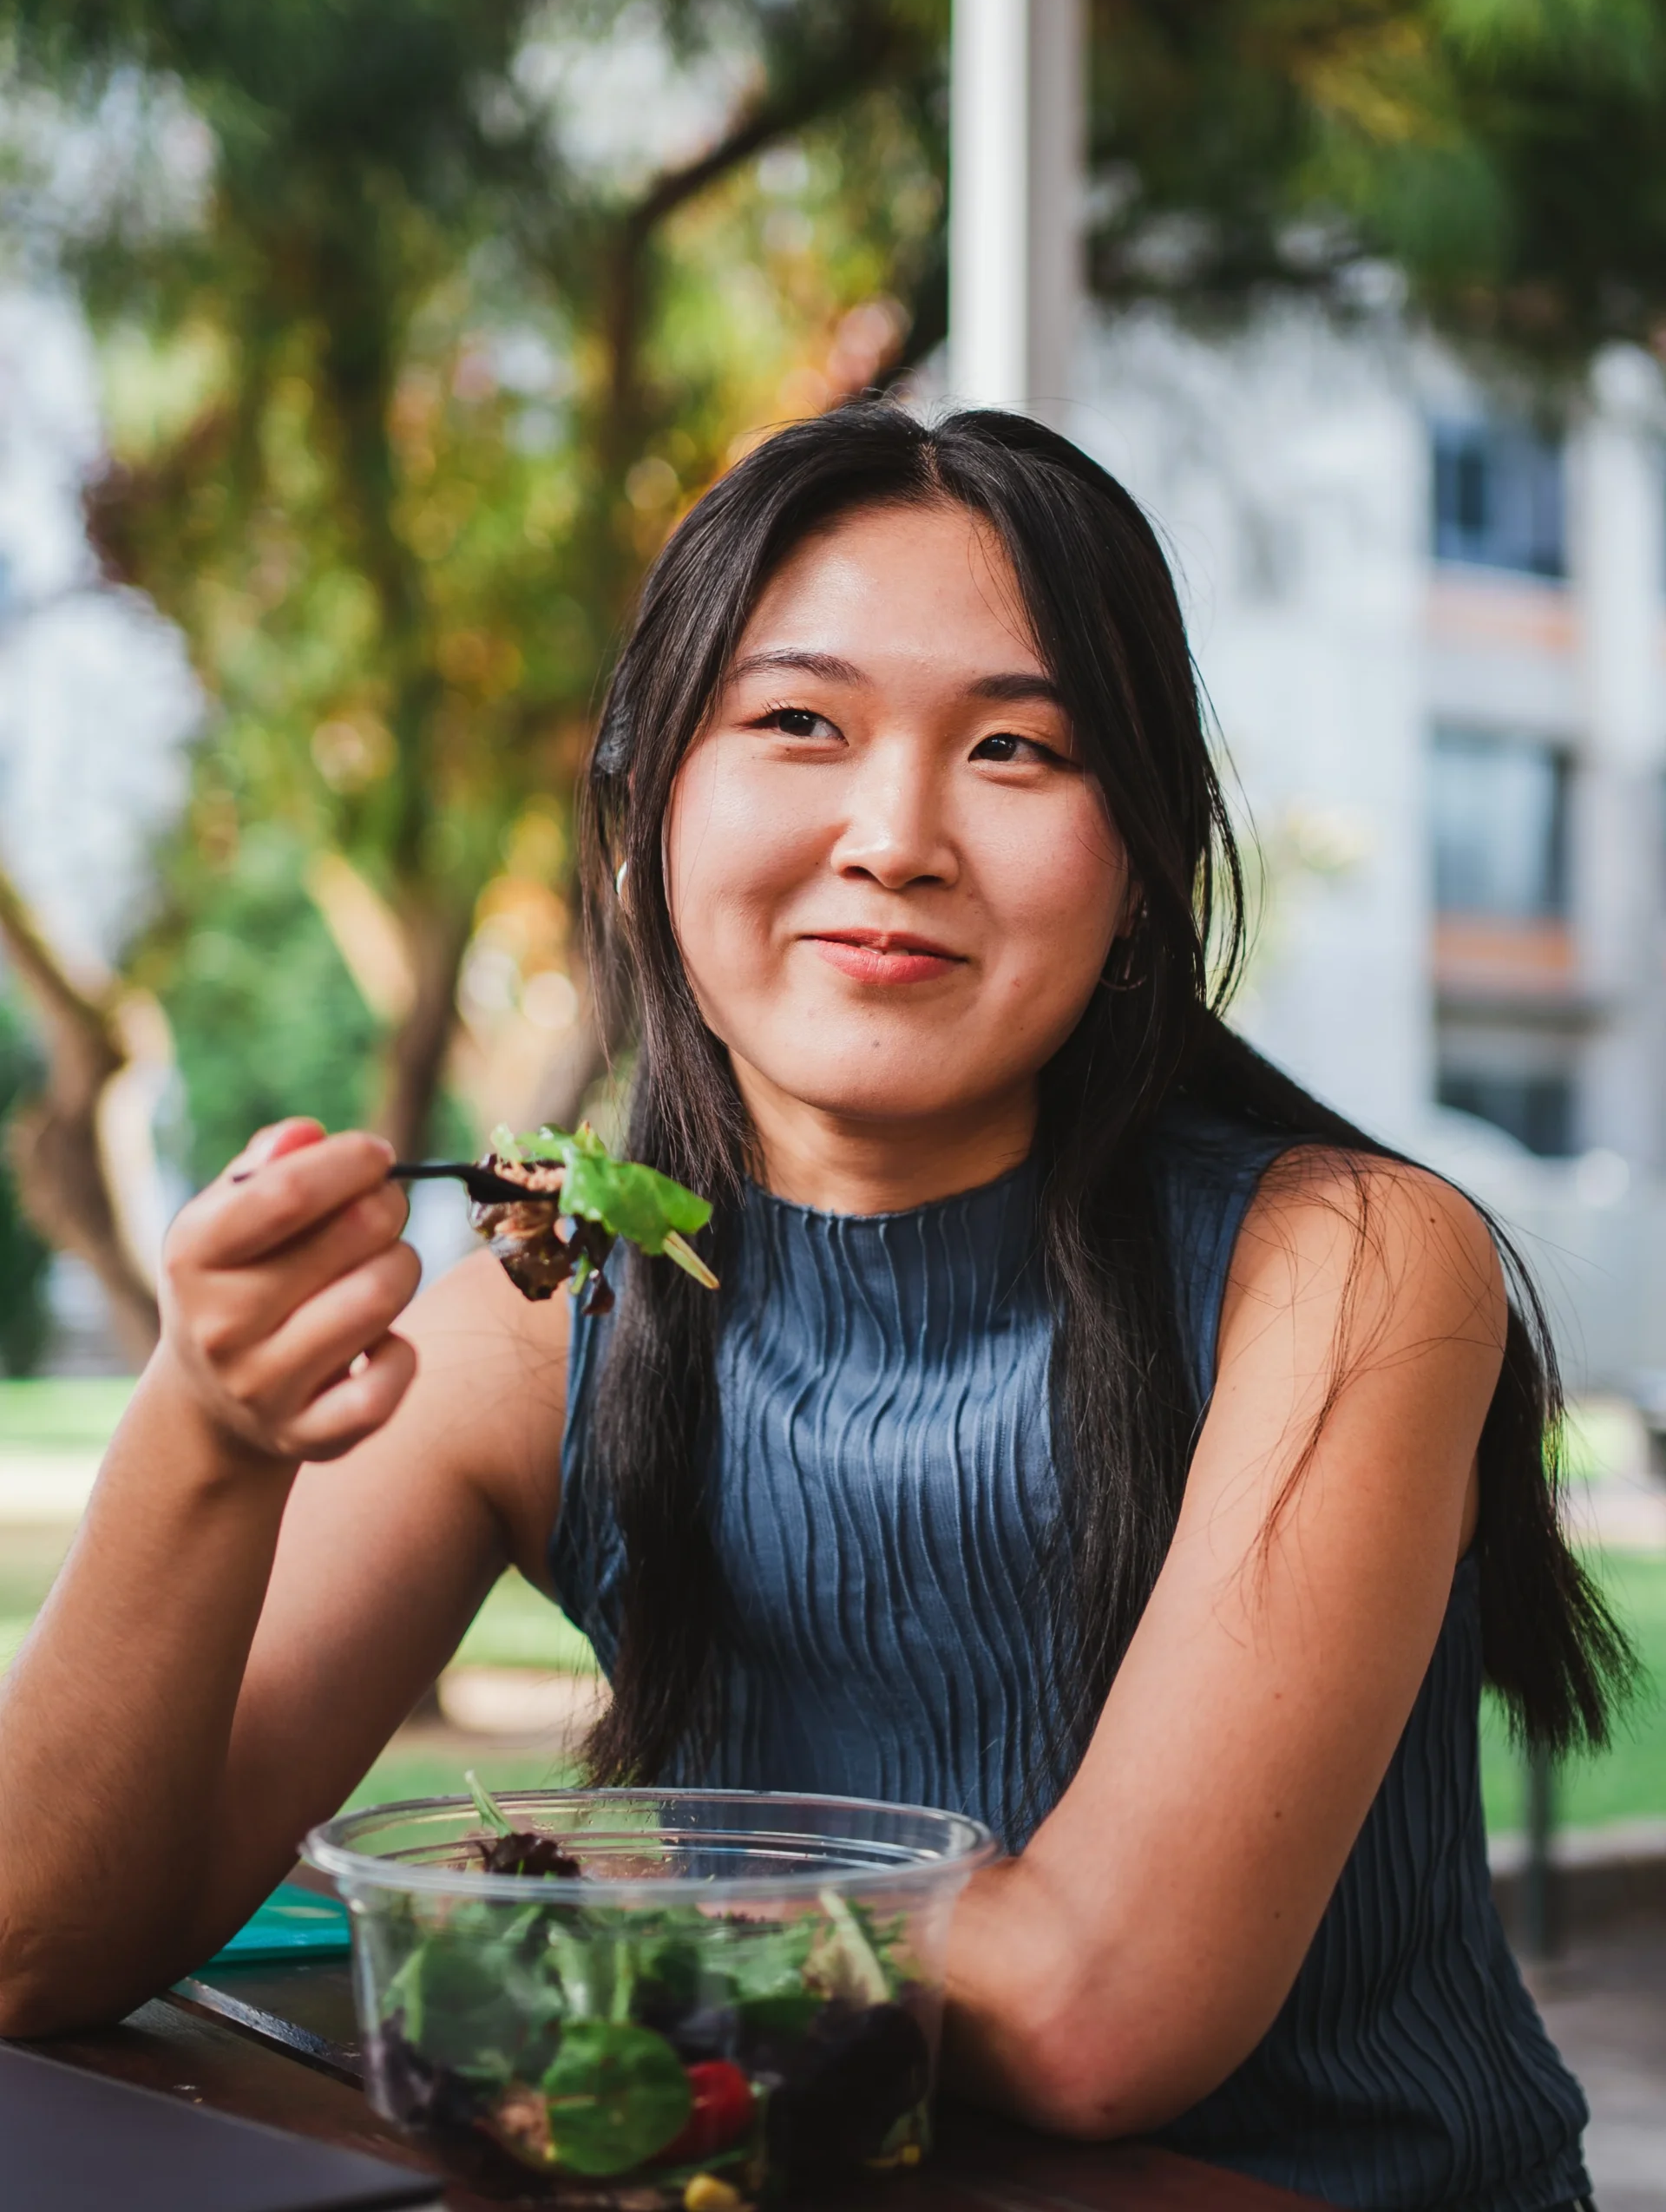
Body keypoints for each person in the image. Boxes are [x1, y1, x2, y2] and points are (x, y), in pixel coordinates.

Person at [0, 405, 1624, 2211]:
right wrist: (209, 1431)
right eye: (798, 723)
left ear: (1143, 865)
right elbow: (34, 1945)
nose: (897, 834)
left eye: (1019, 748)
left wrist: (592, 1869)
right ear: (644, 819)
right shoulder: (540, 1327)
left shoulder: (1350, 1262)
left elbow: (1100, 2014)